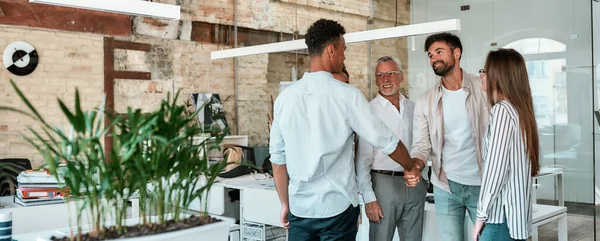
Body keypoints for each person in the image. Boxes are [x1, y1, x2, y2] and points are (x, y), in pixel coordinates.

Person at [269, 18, 420, 241]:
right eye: (343, 50)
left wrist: (285, 204)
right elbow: (385, 141)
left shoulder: (285, 99)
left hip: (299, 210)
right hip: (336, 210)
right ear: (331, 50)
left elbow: (278, 160)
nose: (344, 56)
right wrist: (409, 165)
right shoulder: (347, 96)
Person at [411, 32, 489, 241]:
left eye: (439, 52)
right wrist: (416, 166)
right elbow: (420, 145)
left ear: (457, 53)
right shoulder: (425, 100)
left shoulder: (483, 90)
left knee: (488, 238)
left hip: (482, 183)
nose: (433, 58)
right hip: (445, 185)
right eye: (430, 55)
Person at [473, 48, 540, 241]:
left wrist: (480, 215)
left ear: (498, 76)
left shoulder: (502, 111)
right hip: (515, 218)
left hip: (499, 217)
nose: (481, 75)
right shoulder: (520, 111)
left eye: (485, 71)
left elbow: (496, 170)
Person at [356, 56, 426, 241]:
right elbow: (362, 160)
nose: (385, 80)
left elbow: (422, 144)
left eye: (390, 74)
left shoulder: (414, 108)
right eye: (380, 75)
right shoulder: (369, 111)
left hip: (414, 183)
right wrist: (369, 198)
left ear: (401, 77)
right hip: (383, 185)